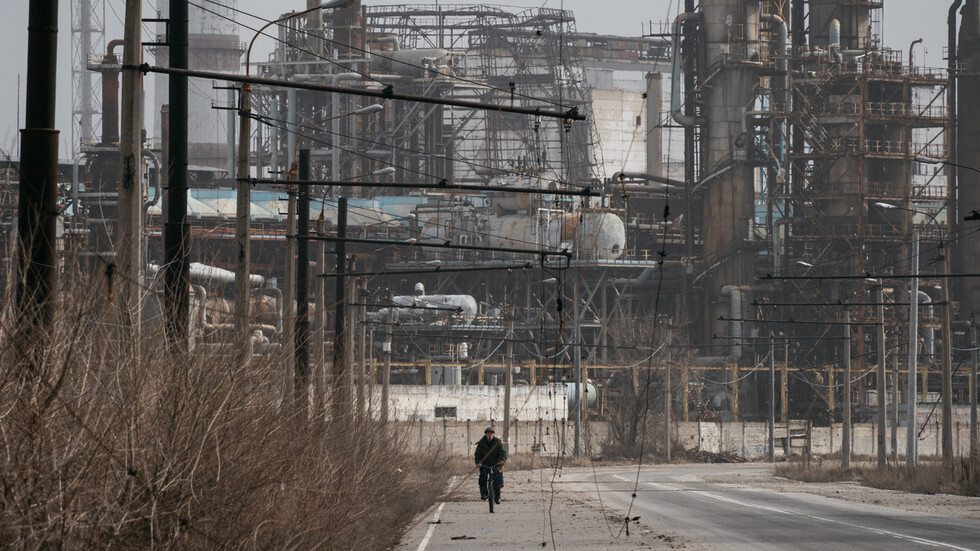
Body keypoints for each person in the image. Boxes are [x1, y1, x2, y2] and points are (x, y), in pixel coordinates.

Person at [474, 427, 507, 503]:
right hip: (484, 464)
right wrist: (478, 463)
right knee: (483, 476)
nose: (490, 435)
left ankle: (497, 497)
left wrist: (502, 461)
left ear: (493, 434)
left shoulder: (497, 442)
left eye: (491, 433)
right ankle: (484, 494)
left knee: (497, 478)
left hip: (496, 464)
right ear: (485, 434)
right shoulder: (481, 443)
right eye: (488, 433)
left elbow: (503, 453)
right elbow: (477, 455)